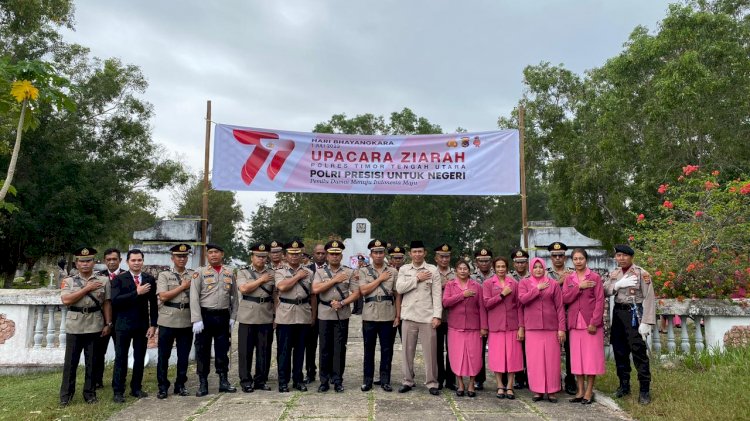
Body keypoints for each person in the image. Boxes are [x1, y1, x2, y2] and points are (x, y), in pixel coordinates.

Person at [59, 247, 112, 406]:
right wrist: (87, 288)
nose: (85, 264)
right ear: (76, 263)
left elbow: (107, 303)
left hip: (94, 324)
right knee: (71, 363)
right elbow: (66, 300)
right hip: (74, 325)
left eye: (88, 261)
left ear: (94, 262)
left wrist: (108, 323)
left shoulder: (103, 281)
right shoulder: (68, 281)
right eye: (82, 261)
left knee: (92, 362)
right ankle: (66, 395)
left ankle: (89, 394)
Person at [605, 244, 655, 405]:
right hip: (618, 313)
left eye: (624, 256)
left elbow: (649, 298)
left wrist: (647, 322)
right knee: (620, 350)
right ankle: (624, 385)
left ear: (631, 257)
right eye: (618, 255)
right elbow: (605, 290)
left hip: (635, 313)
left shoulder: (641, 273)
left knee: (638, 352)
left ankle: (644, 390)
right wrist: (617, 285)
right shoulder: (615, 274)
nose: (621, 258)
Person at [190, 243, 239, 396]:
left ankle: (223, 381)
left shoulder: (229, 272)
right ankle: (203, 383)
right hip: (205, 316)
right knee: (202, 350)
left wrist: (232, 317)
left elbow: (235, 298)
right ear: (207, 255)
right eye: (210, 252)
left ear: (222, 254)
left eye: (216, 252)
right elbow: (193, 297)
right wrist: (196, 319)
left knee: (222, 350)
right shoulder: (200, 273)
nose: (213, 255)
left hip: (223, 316)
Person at [395, 241, 442, 396]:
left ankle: (432, 382)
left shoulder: (432, 269)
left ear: (425, 253)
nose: (417, 254)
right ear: (410, 254)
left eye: (420, 251)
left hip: (427, 316)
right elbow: (399, 288)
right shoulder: (404, 269)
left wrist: (437, 316)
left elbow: (436, 294)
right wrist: (417, 278)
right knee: (407, 351)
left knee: (430, 352)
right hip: (408, 316)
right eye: (414, 252)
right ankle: (407, 380)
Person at [111, 249, 158, 403]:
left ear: (143, 261)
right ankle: (118, 391)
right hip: (123, 324)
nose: (137, 263)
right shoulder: (119, 279)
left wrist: (153, 325)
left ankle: (136, 388)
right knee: (121, 358)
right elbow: (116, 301)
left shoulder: (149, 279)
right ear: (127, 262)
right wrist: (136, 292)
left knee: (139, 357)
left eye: (139, 260)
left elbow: (153, 304)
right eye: (133, 260)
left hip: (142, 325)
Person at [312, 240, 359, 393]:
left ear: (341, 255)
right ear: (327, 256)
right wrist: (334, 280)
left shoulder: (349, 272)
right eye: (331, 254)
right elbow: (316, 289)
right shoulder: (319, 272)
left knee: (339, 349)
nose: (334, 257)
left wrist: (343, 302)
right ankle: (324, 381)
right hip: (325, 313)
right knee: (324, 348)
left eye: (337, 254)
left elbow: (357, 293)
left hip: (341, 313)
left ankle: (338, 380)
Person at [518, 258, 565, 403]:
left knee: (552, 360)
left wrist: (561, 328)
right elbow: (522, 301)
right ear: (531, 268)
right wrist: (536, 289)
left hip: (551, 328)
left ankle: (552, 390)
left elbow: (560, 307)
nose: (538, 269)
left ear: (544, 268)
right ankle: (538, 390)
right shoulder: (524, 283)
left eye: (540, 267)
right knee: (535, 361)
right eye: (535, 267)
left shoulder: (553, 284)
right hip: (532, 328)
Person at [562, 248, 605, 404]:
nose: (578, 261)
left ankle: (588, 391)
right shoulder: (569, 279)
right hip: (574, 324)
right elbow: (565, 299)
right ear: (572, 261)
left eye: (581, 258)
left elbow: (600, 301)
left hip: (590, 324)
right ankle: (579, 391)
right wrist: (579, 287)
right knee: (577, 359)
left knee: (590, 359)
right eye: (575, 259)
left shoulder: (594, 277)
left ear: (586, 260)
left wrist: (594, 322)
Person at [359, 239, 400, 392]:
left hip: (388, 314)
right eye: (375, 252)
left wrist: (398, 315)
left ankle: (385, 380)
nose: (378, 255)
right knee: (368, 349)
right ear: (371, 254)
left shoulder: (393, 271)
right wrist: (381, 279)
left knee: (387, 349)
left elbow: (397, 295)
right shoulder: (364, 270)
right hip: (369, 314)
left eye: (381, 252)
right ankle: (367, 381)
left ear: (384, 254)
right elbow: (363, 290)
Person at [442, 261, 488, 397]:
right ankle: (460, 384)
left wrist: (483, 326)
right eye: (460, 268)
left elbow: (482, 308)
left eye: (465, 269)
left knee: (474, 357)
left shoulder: (477, 286)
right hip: (456, 327)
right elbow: (445, 302)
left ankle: (471, 384)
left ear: (470, 271)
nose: (462, 271)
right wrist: (462, 295)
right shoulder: (451, 285)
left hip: (473, 327)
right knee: (457, 356)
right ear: (456, 271)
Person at [275, 240, 316, 393]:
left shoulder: (309, 272)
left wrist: (313, 315)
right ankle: (283, 381)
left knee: (300, 350)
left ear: (301, 255)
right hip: (285, 314)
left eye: (297, 254)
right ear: (285, 256)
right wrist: (298, 276)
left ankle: (298, 380)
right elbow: (282, 287)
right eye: (291, 254)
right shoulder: (280, 271)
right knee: (284, 351)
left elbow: (313, 295)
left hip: (303, 313)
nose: (294, 257)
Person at [156, 244, 195, 399]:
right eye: (178, 256)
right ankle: (163, 386)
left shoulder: (193, 275)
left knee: (183, 355)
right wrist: (182, 287)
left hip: (186, 318)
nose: (182, 259)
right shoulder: (164, 275)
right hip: (167, 318)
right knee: (163, 355)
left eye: (184, 256)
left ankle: (180, 384)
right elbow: (163, 296)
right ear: (172, 258)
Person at [482, 256, 524, 400]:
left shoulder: (514, 283)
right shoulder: (488, 284)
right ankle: (500, 385)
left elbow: (519, 306)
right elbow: (486, 304)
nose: (501, 269)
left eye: (503, 267)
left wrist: (521, 326)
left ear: (507, 268)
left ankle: (510, 385)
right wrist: (501, 294)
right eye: (498, 267)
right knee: (498, 356)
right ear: (494, 268)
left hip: (512, 325)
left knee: (513, 356)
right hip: (496, 325)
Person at [236, 243, 276, 393]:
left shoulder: (272, 272)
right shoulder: (243, 272)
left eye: (264, 257)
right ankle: (246, 381)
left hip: (266, 314)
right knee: (245, 351)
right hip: (247, 315)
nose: (261, 259)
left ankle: (261, 380)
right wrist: (261, 280)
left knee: (264, 350)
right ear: (252, 257)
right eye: (258, 256)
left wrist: (275, 315)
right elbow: (244, 288)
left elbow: (275, 295)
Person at [546, 242, 576, 395]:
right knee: (552, 352)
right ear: (550, 257)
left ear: (565, 257)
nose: (557, 258)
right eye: (554, 255)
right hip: (551, 318)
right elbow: (543, 294)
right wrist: (559, 283)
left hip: (570, 315)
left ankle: (570, 380)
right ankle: (553, 380)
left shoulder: (573, 273)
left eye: (561, 255)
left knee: (570, 350)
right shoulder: (544, 274)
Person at [93, 248, 123, 389]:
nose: (111, 262)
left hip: (121, 320)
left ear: (120, 260)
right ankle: (97, 381)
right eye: (109, 259)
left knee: (120, 352)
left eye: (114, 259)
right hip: (102, 321)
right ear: (105, 261)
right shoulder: (98, 277)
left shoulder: (126, 276)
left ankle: (118, 381)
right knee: (99, 352)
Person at [470, 247, 494, 390]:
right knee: (478, 351)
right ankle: (479, 379)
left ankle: (503, 380)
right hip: (478, 318)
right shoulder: (471, 277)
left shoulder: (499, 275)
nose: (484, 263)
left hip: (496, 317)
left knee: (499, 350)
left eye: (487, 260)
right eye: (481, 261)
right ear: (476, 262)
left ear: (491, 262)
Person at [434, 243, 456, 391]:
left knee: (452, 349)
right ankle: (439, 378)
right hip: (437, 316)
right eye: (441, 256)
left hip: (453, 317)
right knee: (437, 349)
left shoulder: (456, 273)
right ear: (436, 258)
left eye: (447, 256)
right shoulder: (431, 272)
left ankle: (451, 379)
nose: (444, 259)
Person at [304, 243, 327, 384]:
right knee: (310, 345)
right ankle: (310, 372)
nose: (320, 255)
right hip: (310, 311)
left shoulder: (333, 269)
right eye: (318, 253)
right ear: (313, 254)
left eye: (323, 253)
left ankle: (327, 372)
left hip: (328, 311)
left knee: (326, 345)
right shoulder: (306, 270)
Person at [508, 248, 529, 389]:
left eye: (523, 262)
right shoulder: (508, 278)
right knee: (517, 350)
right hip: (514, 319)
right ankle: (519, 378)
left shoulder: (533, 276)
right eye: (517, 262)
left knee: (530, 351)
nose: (520, 265)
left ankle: (531, 377)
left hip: (531, 317)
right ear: (513, 264)